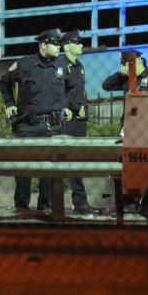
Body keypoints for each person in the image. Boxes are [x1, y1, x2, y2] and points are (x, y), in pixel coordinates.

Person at [0, 28, 74, 210]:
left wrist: (65, 105)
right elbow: (4, 81)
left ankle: (46, 211)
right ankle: (21, 211)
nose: (59, 47)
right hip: (28, 127)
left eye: (59, 44)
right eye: (55, 44)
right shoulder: (25, 65)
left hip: (53, 127)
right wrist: (9, 104)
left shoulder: (62, 67)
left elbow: (68, 88)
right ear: (43, 45)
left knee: (48, 175)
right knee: (23, 173)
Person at [59, 29, 94, 214]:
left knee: (77, 163)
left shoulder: (79, 66)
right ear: (66, 46)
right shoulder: (59, 65)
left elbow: (81, 94)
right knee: (59, 162)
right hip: (65, 121)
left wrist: (83, 109)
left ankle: (79, 203)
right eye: (77, 42)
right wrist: (70, 108)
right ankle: (48, 202)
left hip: (79, 121)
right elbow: (56, 93)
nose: (81, 45)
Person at [102, 49, 148, 131]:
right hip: (127, 125)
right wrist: (119, 74)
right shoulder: (126, 78)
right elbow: (106, 86)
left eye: (125, 64)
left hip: (146, 126)